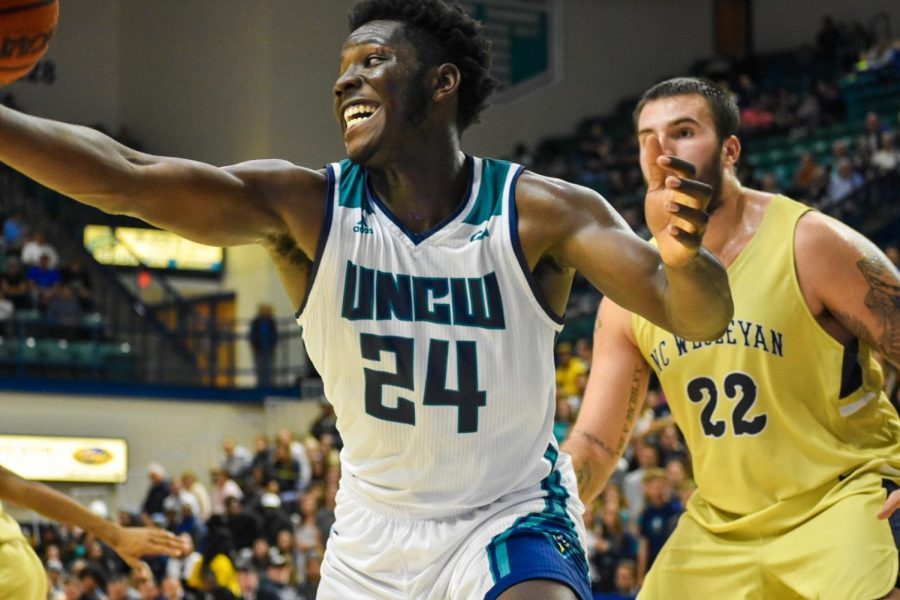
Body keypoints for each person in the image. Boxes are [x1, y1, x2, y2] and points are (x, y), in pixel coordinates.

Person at [0, 2, 733, 597]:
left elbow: (696, 314)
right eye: (341, 70)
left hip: (508, 519)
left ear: (442, 83)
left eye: (372, 61)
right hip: (371, 536)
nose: (346, 82)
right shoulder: (305, 208)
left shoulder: (541, 211)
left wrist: (686, 259)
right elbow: (128, 175)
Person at [562, 77, 900, 599]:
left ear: (730, 150)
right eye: (647, 138)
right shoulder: (630, 291)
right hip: (722, 523)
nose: (663, 151)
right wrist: (552, 507)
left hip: (842, 498)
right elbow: (599, 442)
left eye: (683, 131)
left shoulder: (812, 243)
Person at [0, 464, 184, 599]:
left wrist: (116, 535)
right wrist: (116, 535)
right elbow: (22, 490)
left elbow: (20, 489)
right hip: (16, 565)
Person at [248, 303, 279, 387]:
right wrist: (254, 347)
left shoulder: (271, 322)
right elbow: (252, 336)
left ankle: (269, 384)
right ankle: (260, 384)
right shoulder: (256, 322)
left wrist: (273, 346)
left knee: (269, 368)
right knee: (260, 368)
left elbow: (275, 335)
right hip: (259, 349)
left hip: (268, 349)